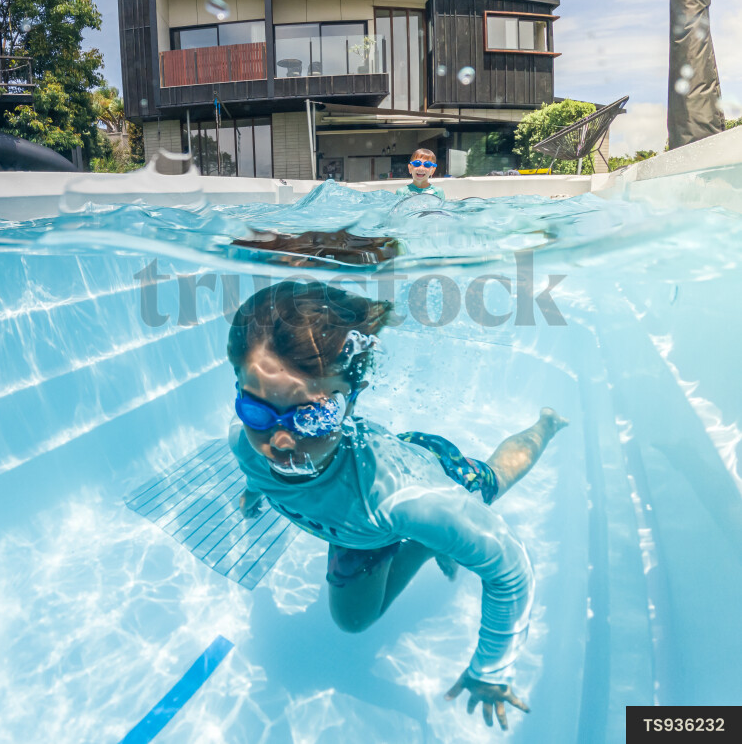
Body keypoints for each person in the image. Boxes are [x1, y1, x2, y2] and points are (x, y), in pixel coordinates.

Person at [228, 281, 568, 730]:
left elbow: (510, 569)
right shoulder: (245, 445)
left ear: (355, 396)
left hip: (428, 475)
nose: (281, 440)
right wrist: (257, 490)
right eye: (255, 410)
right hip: (357, 525)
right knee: (352, 622)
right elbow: (259, 464)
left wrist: (491, 668)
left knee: (492, 478)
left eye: (311, 415)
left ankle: (545, 425)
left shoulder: (404, 501)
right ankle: (428, 545)